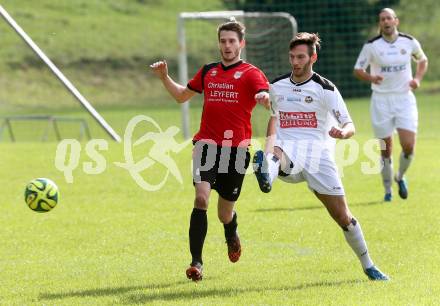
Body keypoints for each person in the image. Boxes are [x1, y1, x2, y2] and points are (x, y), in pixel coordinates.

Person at [253, 32, 389, 281]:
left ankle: (368, 265)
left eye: (301, 57)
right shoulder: (277, 86)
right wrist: (269, 143)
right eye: (292, 56)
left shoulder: (325, 89)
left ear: (313, 57)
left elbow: (350, 124)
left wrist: (343, 133)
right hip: (287, 150)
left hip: (318, 157)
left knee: (344, 218)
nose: (295, 62)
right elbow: (274, 118)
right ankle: (267, 173)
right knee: (274, 155)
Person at [150, 19, 270, 282]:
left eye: (232, 41)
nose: (227, 46)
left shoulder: (251, 73)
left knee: (224, 213)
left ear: (241, 43)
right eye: (223, 41)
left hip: (236, 152)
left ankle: (231, 233)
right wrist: (164, 77)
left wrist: (263, 98)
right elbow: (182, 96)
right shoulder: (209, 71)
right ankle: (196, 263)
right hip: (205, 146)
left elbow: (265, 95)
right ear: (219, 43)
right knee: (201, 199)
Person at [354, 8, 428, 202]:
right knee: (385, 149)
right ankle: (388, 190)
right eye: (382, 19)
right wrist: (371, 77)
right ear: (380, 24)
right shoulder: (371, 46)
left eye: (389, 18)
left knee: (409, 146)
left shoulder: (409, 41)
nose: (386, 21)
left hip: (404, 99)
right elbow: (357, 69)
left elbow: (422, 60)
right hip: (381, 101)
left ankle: (400, 176)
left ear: (396, 21)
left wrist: (418, 79)